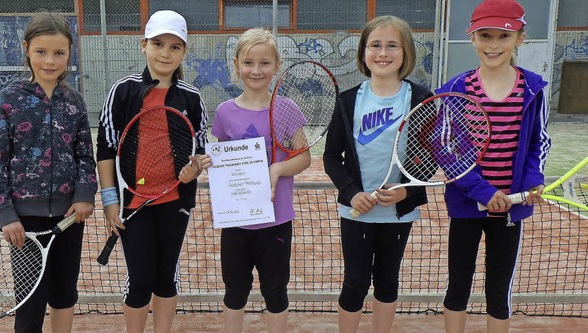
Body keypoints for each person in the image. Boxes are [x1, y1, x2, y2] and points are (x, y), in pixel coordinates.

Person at [436, 1, 552, 332]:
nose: (493, 45)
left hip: (511, 210)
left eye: (503, 36)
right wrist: (484, 192)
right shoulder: (455, 90)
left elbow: (538, 143)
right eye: (485, 36)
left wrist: (532, 181)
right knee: (458, 286)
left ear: (520, 39)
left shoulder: (533, 88)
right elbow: (447, 151)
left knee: (498, 292)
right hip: (466, 207)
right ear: (472, 39)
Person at [0, 12, 97, 333]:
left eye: (59, 53)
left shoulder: (74, 101)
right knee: (30, 303)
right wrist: (6, 215)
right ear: (26, 49)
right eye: (41, 52)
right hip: (25, 225)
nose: (50, 61)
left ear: (69, 54)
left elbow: (85, 156)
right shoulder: (9, 100)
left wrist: (85, 195)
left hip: (69, 219)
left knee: (64, 296)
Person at [95, 10, 208, 333]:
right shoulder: (124, 91)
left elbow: (198, 152)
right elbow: (105, 149)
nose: (165, 53)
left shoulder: (191, 97)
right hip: (133, 205)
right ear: (143, 45)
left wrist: (193, 171)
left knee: (166, 278)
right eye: (158, 43)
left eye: (175, 47)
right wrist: (110, 202)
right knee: (140, 280)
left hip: (175, 203)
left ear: (184, 51)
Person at [323, 16, 433, 333]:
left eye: (392, 45)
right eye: (375, 45)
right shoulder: (346, 101)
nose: (382, 53)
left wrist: (407, 191)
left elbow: (428, 159)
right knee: (355, 282)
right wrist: (351, 192)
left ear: (405, 52)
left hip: (396, 214)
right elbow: (332, 157)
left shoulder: (422, 99)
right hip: (356, 212)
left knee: (387, 281)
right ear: (363, 52)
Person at [200, 28, 311, 333]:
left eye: (264, 63)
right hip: (237, 222)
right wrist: (211, 163)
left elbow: (304, 157)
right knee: (235, 290)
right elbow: (220, 158)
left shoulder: (286, 109)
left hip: (276, 221)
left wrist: (277, 170)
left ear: (276, 66)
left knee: (275, 291)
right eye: (249, 63)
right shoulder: (224, 112)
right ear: (237, 65)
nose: (256, 70)